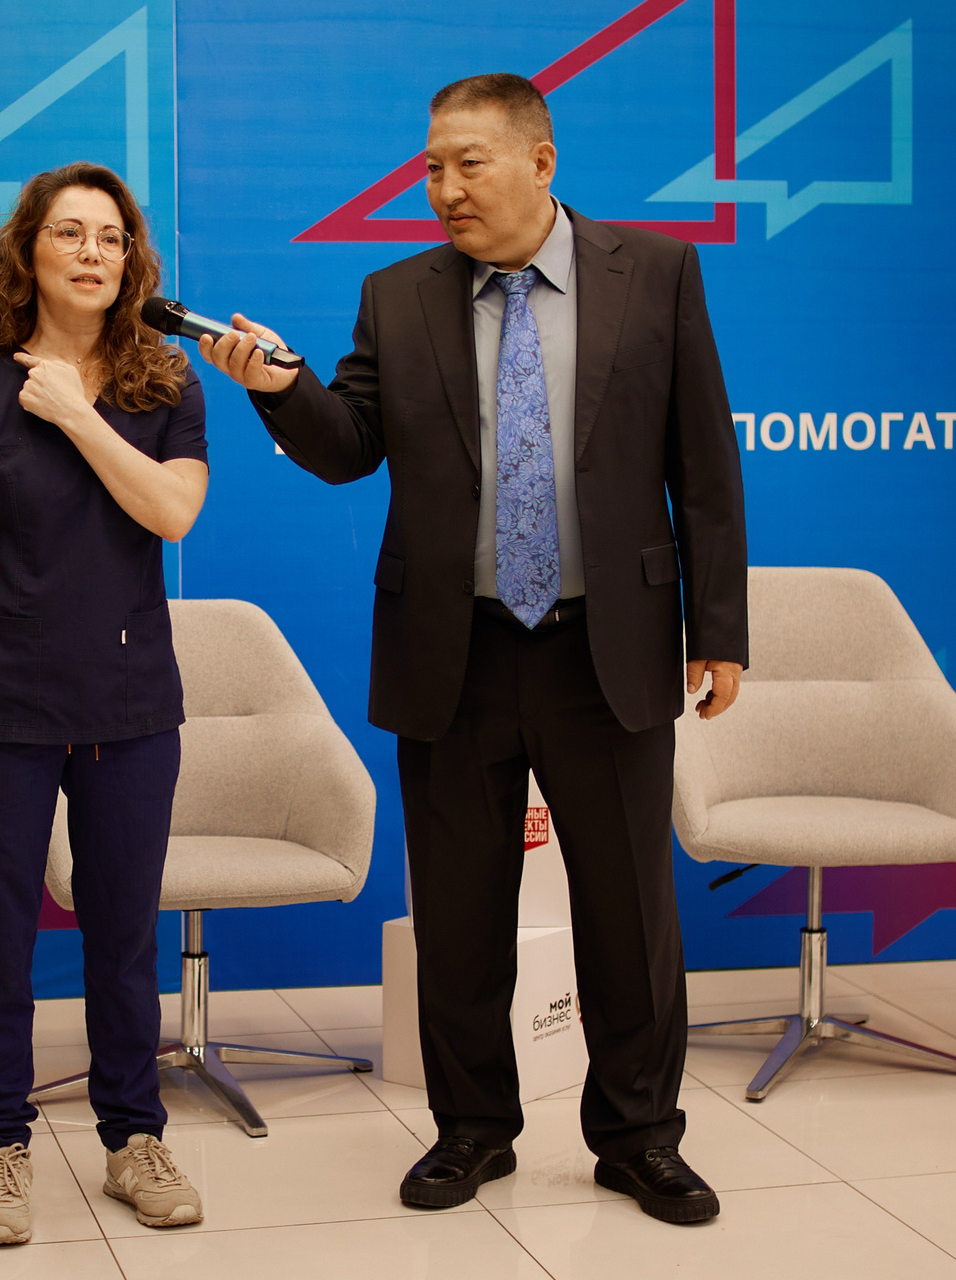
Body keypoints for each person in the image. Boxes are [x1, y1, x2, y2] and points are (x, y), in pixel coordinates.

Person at [197, 74, 748, 1225]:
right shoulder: (397, 295)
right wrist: (281, 388)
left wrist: (720, 630)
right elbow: (349, 447)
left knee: (629, 915)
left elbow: (704, 463)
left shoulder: (655, 272)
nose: (444, 188)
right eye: (431, 168)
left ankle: (640, 1136)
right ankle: (472, 1128)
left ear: (541, 161)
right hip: (454, 649)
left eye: (468, 163)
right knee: (458, 916)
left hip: (608, 648)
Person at [0, 161, 209, 1246]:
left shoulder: (166, 383)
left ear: (132, 260)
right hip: (3, 706)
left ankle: (134, 1137)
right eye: (71, 233)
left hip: (132, 705)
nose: (94, 252)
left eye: (113, 237)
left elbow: (172, 512)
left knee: (123, 937)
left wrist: (80, 414)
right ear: (27, 253)